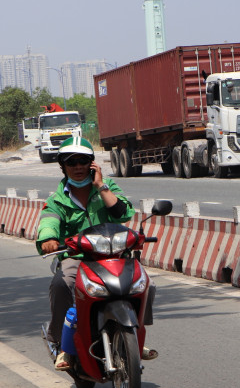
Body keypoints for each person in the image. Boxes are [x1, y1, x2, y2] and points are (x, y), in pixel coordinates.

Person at [36, 137, 157, 371]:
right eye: (72, 162)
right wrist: (49, 240)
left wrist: (100, 186)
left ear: (93, 164)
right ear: (63, 166)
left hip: (114, 255)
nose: (78, 167)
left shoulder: (107, 187)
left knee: (146, 284)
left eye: (83, 161)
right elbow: (48, 222)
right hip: (78, 258)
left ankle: (135, 334)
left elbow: (123, 214)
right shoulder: (56, 200)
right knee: (62, 283)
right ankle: (62, 346)